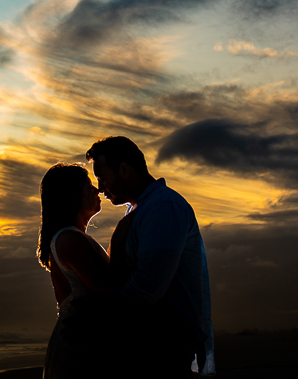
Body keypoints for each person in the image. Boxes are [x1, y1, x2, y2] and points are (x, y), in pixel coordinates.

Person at [87, 136, 215, 377]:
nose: (101, 188)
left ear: (123, 170)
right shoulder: (142, 208)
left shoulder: (163, 207)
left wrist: (98, 317)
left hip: (166, 348)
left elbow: (147, 287)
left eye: (102, 178)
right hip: (151, 347)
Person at [38, 162, 114, 379]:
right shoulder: (69, 239)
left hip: (85, 340)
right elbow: (112, 291)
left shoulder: (74, 237)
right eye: (89, 186)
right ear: (72, 197)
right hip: (79, 346)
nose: (96, 190)